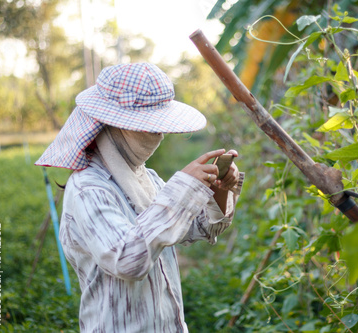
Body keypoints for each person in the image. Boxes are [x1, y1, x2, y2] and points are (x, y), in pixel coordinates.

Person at [35, 62, 244, 332]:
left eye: (159, 127)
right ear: (114, 125)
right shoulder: (89, 188)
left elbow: (196, 228)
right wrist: (183, 189)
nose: (157, 136)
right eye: (147, 126)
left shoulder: (146, 178)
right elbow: (128, 260)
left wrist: (220, 186)